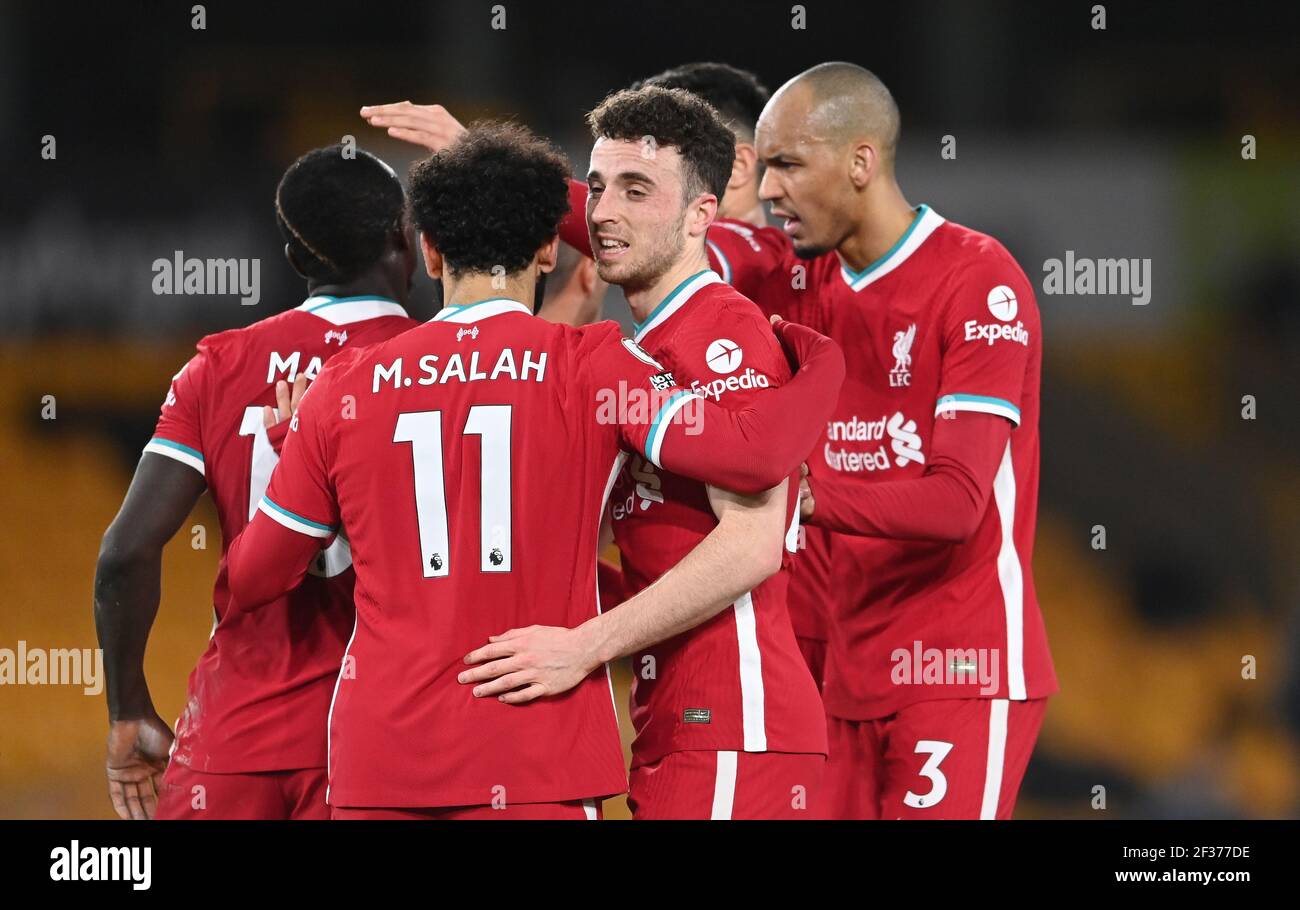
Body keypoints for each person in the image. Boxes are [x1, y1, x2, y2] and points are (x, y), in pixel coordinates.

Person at [224, 122, 844, 820]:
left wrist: (290, 453)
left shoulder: (344, 386)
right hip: (536, 758)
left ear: (428, 251)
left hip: (381, 766)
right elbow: (748, 456)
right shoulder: (593, 363)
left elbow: (251, 579)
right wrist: (823, 365)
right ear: (551, 247)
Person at [93, 146, 420, 819]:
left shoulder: (218, 366)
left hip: (233, 735)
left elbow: (125, 552)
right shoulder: (437, 366)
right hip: (381, 733)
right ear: (403, 238)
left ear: (297, 260)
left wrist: (129, 707)